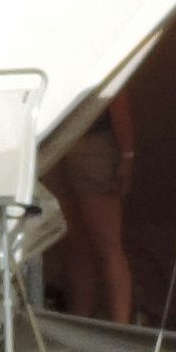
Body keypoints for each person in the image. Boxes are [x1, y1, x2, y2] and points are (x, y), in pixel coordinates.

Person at [51, 89, 139, 324]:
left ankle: (121, 327)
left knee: (107, 242)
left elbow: (115, 91)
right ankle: (81, 322)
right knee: (71, 243)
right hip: (53, 146)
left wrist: (127, 154)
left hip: (93, 143)